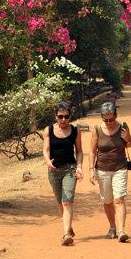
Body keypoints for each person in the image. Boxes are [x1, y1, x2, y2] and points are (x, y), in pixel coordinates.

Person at [90, 102, 131, 243]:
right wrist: (91, 169)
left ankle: (122, 230)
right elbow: (91, 151)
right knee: (107, 201)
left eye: (111, 119)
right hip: (102, 169)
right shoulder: (97, 129)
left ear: (116, 116)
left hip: (120, 167)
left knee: (119, 199)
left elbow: (130, 144)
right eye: (105, 119)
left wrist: (127, 138)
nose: (108, 122)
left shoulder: (123, 127)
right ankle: (112, 226)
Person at [43, 105, 83, 246]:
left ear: (70, 117)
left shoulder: (75, 131)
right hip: (54, 171)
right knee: (60, 202)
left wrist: (79, 166)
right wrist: (48, 161)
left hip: (70, 169)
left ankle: (66, 234)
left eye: (66, 116)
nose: (64, 119)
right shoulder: (48, 130)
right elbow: (46, 150)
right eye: (60, 116)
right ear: (56, 117)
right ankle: (69, 227)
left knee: (67, 201)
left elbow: (79, 151)